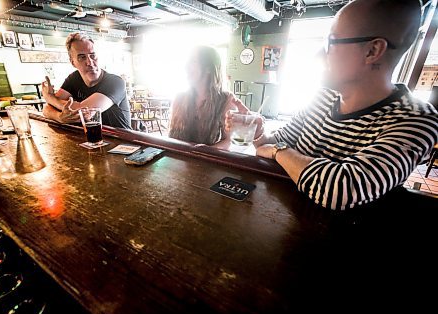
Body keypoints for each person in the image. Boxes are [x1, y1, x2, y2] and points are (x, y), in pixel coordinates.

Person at [254, 0, 438, 210]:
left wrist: (279, 152)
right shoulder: (322, 97)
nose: (318, 56)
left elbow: (341, 190)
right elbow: (276, 142)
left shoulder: (417, 120)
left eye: (331, 43)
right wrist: (255, 130)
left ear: (372, 51)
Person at [169, 45, 263, 146]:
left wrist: (202, 155)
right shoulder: (179, 98)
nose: (186, 66)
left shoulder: (226, 99)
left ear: (209, 69)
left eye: (193, 61)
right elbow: (170, 139)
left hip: (207, 160)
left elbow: (228, 142)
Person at [42, 33, 131, 129]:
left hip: (121, 139)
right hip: (88, 137)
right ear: (73, 63)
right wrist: (59, 117)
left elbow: (85, 112)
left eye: (92, 56)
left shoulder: (115, 82)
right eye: (82, 57)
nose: (90, 62)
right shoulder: (73, 78)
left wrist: (50, 98)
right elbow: (47, 108)